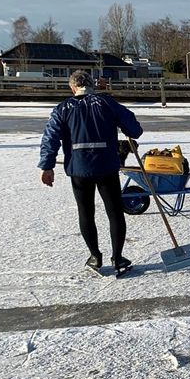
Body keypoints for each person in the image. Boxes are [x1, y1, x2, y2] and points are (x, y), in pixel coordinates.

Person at [38, 71, 143, 276]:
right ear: (92, 85)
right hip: (107, 166)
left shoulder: (63, 108)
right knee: (114, 213)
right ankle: (118, 257)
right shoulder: (107, 103)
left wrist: (47, 166)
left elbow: (50, 138)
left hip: (79, 169)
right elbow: (135, 129)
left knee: (86, 213)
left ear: (72, 87)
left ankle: (95, 256)